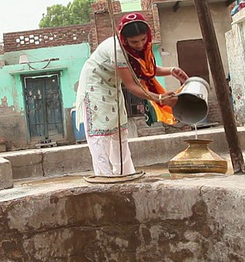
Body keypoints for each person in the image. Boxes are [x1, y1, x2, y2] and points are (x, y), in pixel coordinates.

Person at [75, 12, 189, 176]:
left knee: (119, 130)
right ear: (124, 39)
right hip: (95, 84)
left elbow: (145, 70)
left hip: (113, 84)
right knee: (100, 133)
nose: (140, 44)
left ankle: (124, 174)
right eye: (134, 41)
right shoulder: (118, 50)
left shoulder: (141, 48)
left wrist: (171, 70)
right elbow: (131, 84)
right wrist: (159, 98)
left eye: (143, 39)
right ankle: (105, 177)